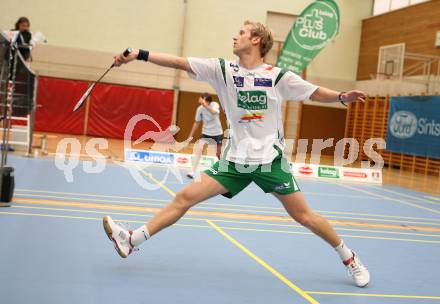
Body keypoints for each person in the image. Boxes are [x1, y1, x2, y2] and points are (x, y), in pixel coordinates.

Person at [103, 20, 370, 288]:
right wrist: (140, 54)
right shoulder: (222, 70)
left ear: (256, 40)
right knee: (185, 197)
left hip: (268, 161)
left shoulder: (278, 77)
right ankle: (131, 239)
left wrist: (342, 96)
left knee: (304, 217)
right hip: (235, 161)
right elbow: (179, 62)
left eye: (241, 33)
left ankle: (350, 258)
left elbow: (314, 92)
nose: (235, 36)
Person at [186, 92, 223, 179]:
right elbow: (196, 123)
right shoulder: (200, 109)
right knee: (199, 150)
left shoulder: (215, 105)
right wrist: (190, 136)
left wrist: (205, 105)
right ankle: (193, 171)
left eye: (201, 98)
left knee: (218, 154)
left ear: (205, 99)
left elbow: (214, 112)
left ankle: (223, 169)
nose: (199, 99)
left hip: (217, 133)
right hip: (206, 133)